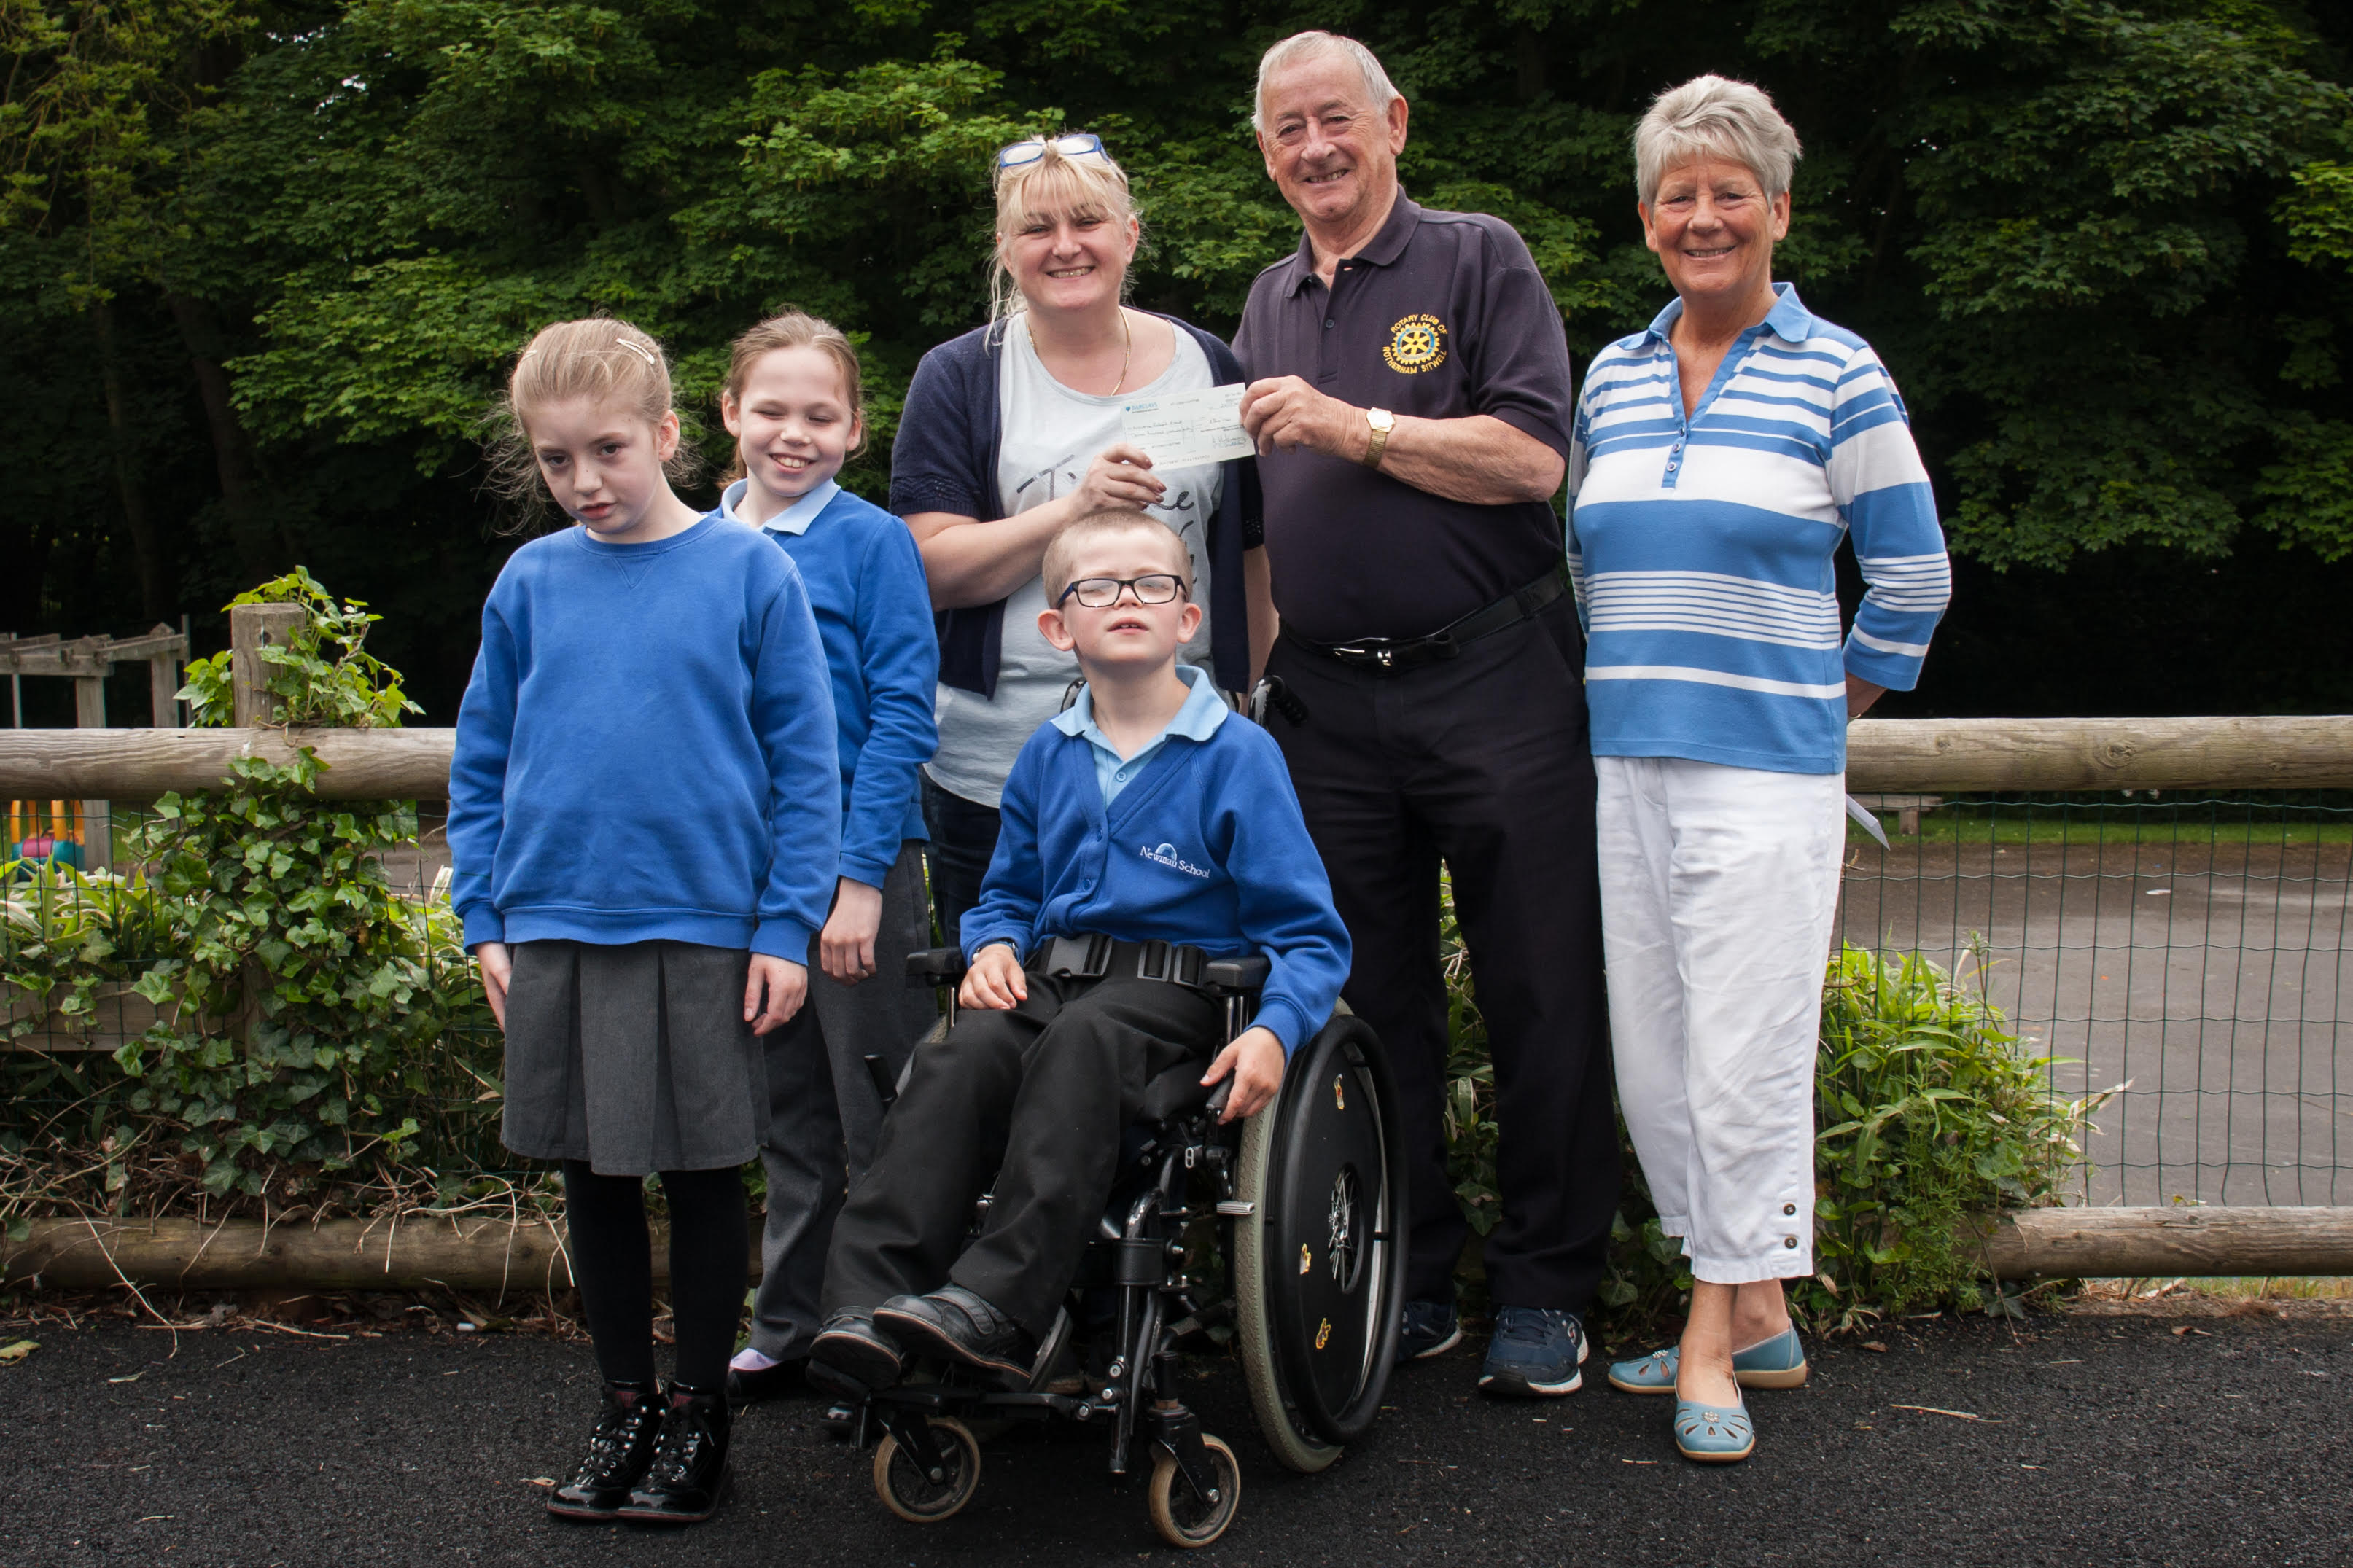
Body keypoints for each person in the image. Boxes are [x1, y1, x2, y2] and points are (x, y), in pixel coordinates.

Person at [1232, 30, 1617, 1397]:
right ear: (1264, 151)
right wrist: (1264, 678)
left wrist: (1357, 427)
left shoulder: (1474, 257)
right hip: (1329, 703)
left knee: (1540, 989)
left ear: (1392, 120)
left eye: (1336, 120)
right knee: (1370, 1003)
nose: (1314, 149)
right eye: (1287, 131)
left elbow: (1529, 459)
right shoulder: (1267, 299)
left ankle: (1548, 1287)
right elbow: (1255, 528)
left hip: (1492, 679)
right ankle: (1413, 1274)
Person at [1574, 76, 1949, 1462]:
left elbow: (1913, 575)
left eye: (1730, 190)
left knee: (1740, 1061)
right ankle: (1767, 1312)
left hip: (1763, 778)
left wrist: (1816, 708)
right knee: (1658, 1062)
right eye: (1678, 192)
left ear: (1777, 211)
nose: (1703, 214)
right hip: (1628, 767)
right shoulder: (1610, 374)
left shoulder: (1836, 370)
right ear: (1646, 216)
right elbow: (1586, 565)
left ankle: (1704, 1336)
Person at [449, 317, 842, 1524]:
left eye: (608, 452)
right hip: (557, 924)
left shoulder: (746, 572)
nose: (584, 484)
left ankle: (696, 1417)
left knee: (705, 1172)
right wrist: (484, 916)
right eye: (556, 461)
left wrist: (785, 926)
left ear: (670, 434)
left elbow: (806, 763)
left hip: (706, 927)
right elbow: (481, 759)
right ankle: (621, 1405)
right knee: (593, 1173)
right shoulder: (531, 580)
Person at [809, 509, 1348, 1385]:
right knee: (960, 1056)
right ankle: (865, 1306)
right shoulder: (1045, 755)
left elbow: (1308, 935)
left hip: (1174, 1000)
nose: (1126, 598)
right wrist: (990, 947)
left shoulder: (1237, 756)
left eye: (1153, 583)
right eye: (1097, 587)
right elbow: (1009, 896)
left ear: (1188, 619)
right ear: (1058, 628)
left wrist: (1276, 1030)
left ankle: (999, 1306)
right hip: (1050, 987)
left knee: (1084, 1043)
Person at [890, 133, 1266, 945]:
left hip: (1183, 763)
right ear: (1004, 248)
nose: (1065, 246)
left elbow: (1244, 558)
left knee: (1168, 1015)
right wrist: (1074, 507)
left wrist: (1248, 704)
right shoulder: (958, 376)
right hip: (995, 773)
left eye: (1087, 221)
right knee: (998, 1015)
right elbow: (928, 571)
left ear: (1128, 235)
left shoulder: (1208, 364)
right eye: (1036, 228)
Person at [707, 311, 941, 1405]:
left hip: (854, 871)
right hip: (737, 877)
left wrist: (857, 880)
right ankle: (789, 1318)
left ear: (853, 429)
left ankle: (883, 1314)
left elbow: (899, 714)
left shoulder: (870, 542)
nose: (790, 434)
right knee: (784, 1110)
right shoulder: (696, 543)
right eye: (770, 410)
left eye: (818, 414)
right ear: (728, 415)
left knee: (874, 1106)